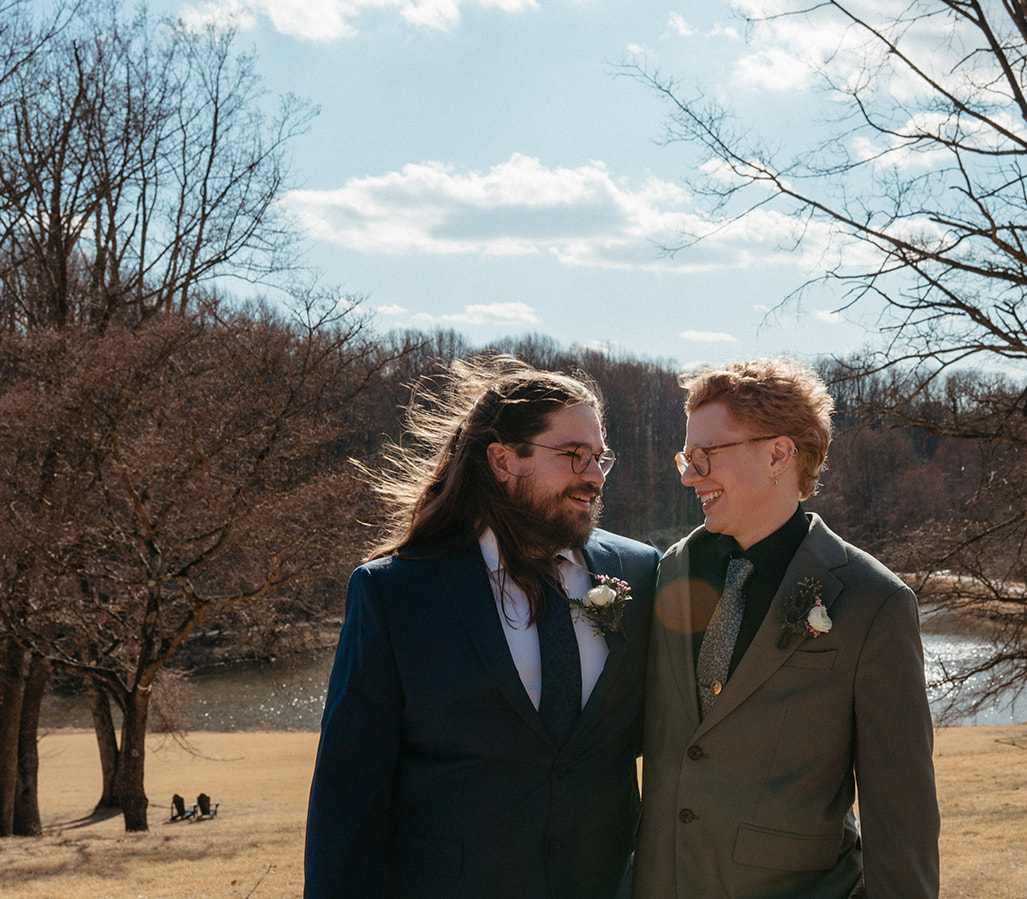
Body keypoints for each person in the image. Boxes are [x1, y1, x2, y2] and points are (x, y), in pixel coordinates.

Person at [305, 357, 659, 898]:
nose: (593, 475)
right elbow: (348, 790)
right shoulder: (396, 591)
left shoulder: (639, 571)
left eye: (599, 458)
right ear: (502, 459)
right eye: (572, 455)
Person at [634, 358, 939, 898]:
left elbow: (902, 810)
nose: (688, 474)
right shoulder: (667, 572)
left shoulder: (874, 601)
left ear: (778, 454)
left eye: (706, 455)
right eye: (687, 456)